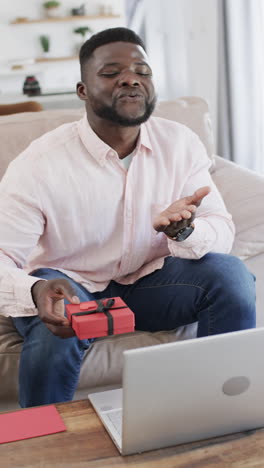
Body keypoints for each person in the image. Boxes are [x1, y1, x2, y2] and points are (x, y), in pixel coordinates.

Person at [0, 27, 255, 408]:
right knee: (59, 317)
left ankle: (220, 411)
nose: (131, 78)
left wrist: (185, 231)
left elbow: (222, 229)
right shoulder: (40, 163)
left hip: (150, 283)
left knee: (231, 276)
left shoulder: (179, 143)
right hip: (71, 284)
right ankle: (42, 445)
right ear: (83, 91)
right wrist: (34, 292)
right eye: (111, 72)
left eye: (142, 70)